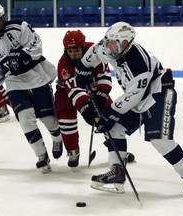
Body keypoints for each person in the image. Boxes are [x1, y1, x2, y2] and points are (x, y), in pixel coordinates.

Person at [75, 21, 183, 197]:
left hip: (157, 94)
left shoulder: (139, 64)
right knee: (113, 129)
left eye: (114, 43)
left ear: (125, 44)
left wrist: (109, 113)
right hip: (137, 96)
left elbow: (133, 96)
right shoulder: (108, 47)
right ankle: (117, 173)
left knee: (159, 140)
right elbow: (94, 52)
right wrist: (82, 70)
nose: (109, 46)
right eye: (108, 41)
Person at [0, 2, 63, 174]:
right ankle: (41, 155)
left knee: (48, 119)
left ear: (3, 18)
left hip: (36, 77)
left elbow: (36, 44)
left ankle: (57, 138)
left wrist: (22, 57)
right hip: (15, 84)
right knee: (25, 118)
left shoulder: (18, 27)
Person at [55, 30, 135, 167]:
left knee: (109, 118)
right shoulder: (63, 64)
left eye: (77, 50)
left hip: (94, 88)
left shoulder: (95, 52)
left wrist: (101, 96)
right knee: (65, 120)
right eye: (70, 51)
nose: (74, 54)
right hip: (66, 92)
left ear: (83, 47)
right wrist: (85, 108)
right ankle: (73, 150)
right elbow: (74, 90)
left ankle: (117, 151)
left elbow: (104, 76)